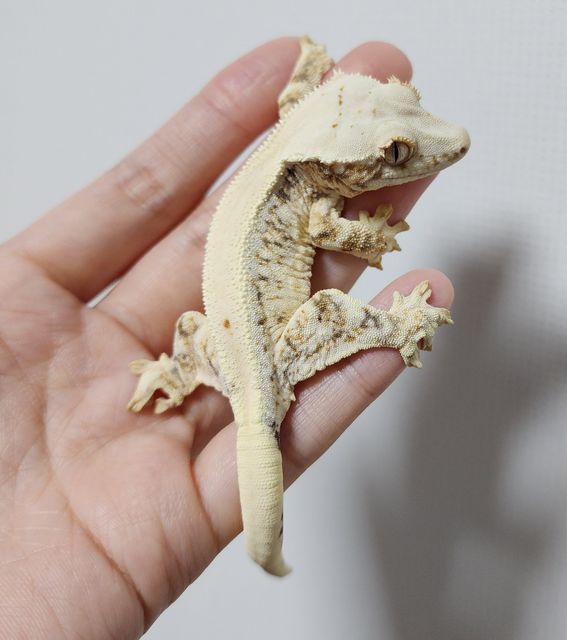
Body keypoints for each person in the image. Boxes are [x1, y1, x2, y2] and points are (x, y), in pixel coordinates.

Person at [0, 38, 453, 638]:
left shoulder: (298, 125)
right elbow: (329, 229)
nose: (447, 144)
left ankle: (177, 373)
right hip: (268, 357)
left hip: (228, 352)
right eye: (395, 153)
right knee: (325, 310)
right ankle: (398, 328)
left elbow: (297, 103)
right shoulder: (314, 197)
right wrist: (371, 239)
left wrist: (305, 82)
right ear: (329, 165)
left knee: (194, 331)